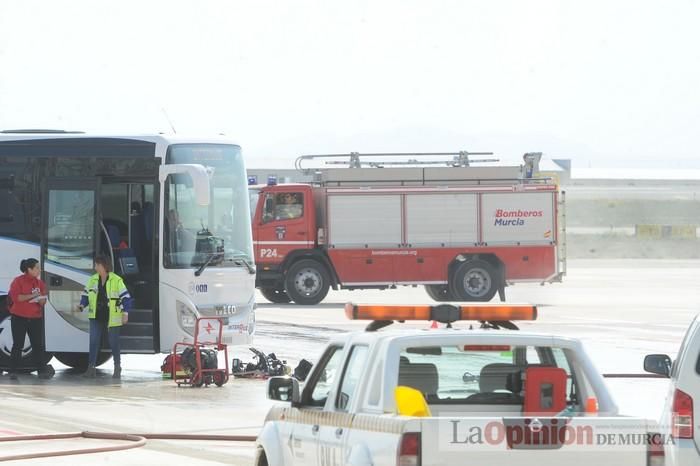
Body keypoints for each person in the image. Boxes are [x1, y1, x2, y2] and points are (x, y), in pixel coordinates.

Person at [78, 254, 132, 379]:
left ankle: (117, 367)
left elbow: (126, 298)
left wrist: (125, 313)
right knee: (93, 342)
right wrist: (82, 305)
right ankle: (91, 369)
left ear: (103, 266)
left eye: (97, 265)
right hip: (96, 315)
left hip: (112, 316)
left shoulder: (116, 280)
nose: (95, 267)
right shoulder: (93, 279)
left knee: (114, 342)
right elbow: (86, 295)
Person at [7, 258, 53, 380]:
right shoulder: (18, 281)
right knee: (18, 345)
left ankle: (41, 371)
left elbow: (43, 302)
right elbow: (17, 298)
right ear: (29, 269)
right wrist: (34, 295)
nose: (39, 270)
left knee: (38, 345)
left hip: (35, 318)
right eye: (37, 267)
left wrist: (42, 300)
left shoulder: (40, 283)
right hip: (19, 317)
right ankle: (12, 371)